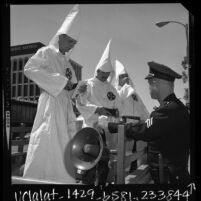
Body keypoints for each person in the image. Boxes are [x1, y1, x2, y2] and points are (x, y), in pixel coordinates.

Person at [23, 5, 81, 183]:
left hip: (65, 106)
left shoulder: (68, 63)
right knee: (48, 140)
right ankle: (40, 180)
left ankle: (64, 179)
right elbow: (29, 69)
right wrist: (60, 82)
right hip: (51, 102)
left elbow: (69, 89)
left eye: (74, 43)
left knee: (64, 142)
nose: (72, 46)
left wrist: (76, 89)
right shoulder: (46, 52)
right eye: (71, 41)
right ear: (62, 37)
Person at [107, 61, 191, 184]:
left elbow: (144, 129)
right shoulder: (174, 107)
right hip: (171, 175)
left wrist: (115, 126)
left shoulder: (168, 110)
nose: (149, 88)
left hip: (170, 179)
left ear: (155, 83)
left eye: (149, 84)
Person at [75, 40, 122, 184]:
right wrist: (97, 109)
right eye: (103, 73)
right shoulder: (87, 84)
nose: (105, 77)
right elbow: (80, 103)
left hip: (107, 130)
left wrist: (115, 113)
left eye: (108, 74)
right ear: (97, 70)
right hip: (92, 128)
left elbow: (118, 105)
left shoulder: (111, 89)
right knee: (90, 161)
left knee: (105, 163)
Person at [113, 60, 150, 172]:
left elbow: (144, 111)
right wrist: (125, 88)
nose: (126, 78)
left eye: (126, 75)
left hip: (137, 132)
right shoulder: (116, 93)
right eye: (122, 76)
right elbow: (116, 104)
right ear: (117, 79)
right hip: (124, 132)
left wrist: (149, 121)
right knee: (122, 162)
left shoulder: (135, 95)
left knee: (136, 161)